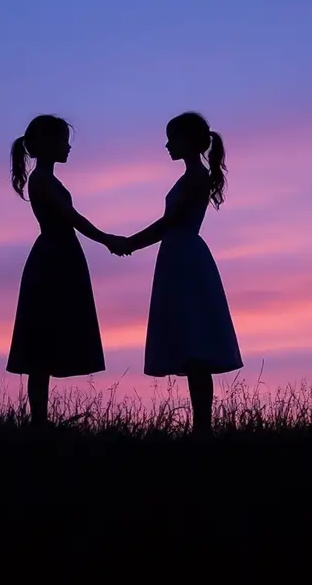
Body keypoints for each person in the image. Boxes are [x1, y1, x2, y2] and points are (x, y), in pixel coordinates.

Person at [116, 112, 243, 435]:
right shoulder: (193, 176)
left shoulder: (196, 178)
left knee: (195, 343)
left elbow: (168, 223)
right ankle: (201, 427)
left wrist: (131, 242)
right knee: (190, 343)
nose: (167, 145)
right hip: (177, 257)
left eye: (172, 138)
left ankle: (203, 427)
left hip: (185, 259)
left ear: (188, 141)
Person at [7, 114, 127, 426]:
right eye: (63, 140)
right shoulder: (42, 180)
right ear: (46, 144)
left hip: (60, 257)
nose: (68, 146)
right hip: (53, 260)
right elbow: (71, 217)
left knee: (47, 336)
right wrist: (107, 240)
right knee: (40, 339)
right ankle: (39, 421)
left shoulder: (46, 179)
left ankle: (40, 421)